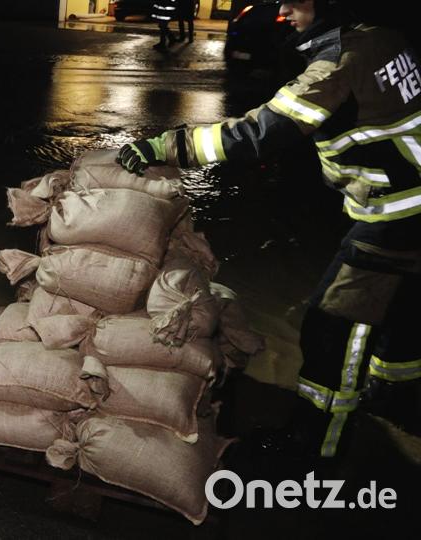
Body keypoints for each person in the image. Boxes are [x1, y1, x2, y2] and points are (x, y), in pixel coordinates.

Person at [117, 0, 421, 465]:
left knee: (333, 325)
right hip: (410, 206)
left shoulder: (337, 64)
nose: (283, 9)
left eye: (295, 1)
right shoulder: (384, 37)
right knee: (401, 311)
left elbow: (256, 134)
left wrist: (166, 145)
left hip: (397, 218)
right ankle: (397, 396)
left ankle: (315, 444)